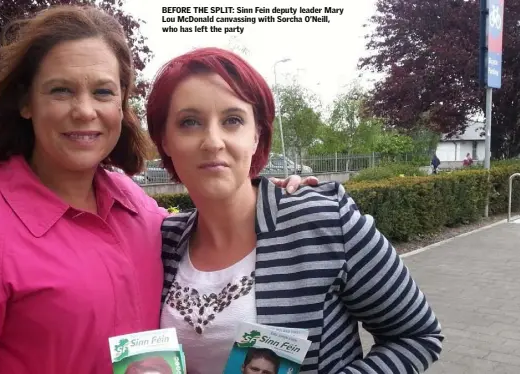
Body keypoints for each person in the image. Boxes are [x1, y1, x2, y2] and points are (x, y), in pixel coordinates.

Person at [0, 5, 314, 373]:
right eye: (61, 90)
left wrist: (271, 195)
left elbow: (211, 229)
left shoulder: (137, 208)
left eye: (103, 92)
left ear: (121, 105)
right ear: (25, 102)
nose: (84, 110)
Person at [147, 47, 443, 374]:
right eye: (190, 122)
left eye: (233, 120)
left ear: (257, 135)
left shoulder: (323, 221)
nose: (213, 141)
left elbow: (417, 334)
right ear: (166, 140)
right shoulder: (165, 243)